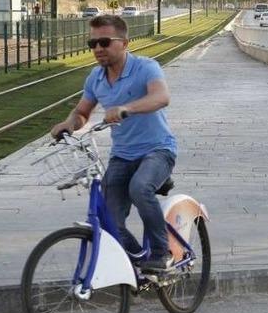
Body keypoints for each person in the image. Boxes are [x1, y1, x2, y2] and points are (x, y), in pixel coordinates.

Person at [50, 15, 178, 271]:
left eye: (105, 42)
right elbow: (82, 113)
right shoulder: (95, 78)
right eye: (93, 43)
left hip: (157, 150)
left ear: (125, 43)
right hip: (122, 156)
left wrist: (126, 108)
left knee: (139, 188)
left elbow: (161, 97)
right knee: (108, 219)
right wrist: (69, 124)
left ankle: (162, 253)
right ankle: (138, 263)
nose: (98, 48)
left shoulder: (146, 67)